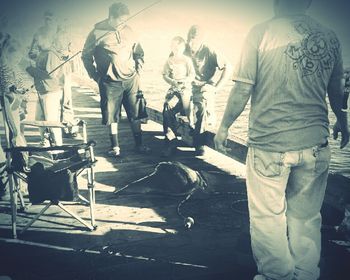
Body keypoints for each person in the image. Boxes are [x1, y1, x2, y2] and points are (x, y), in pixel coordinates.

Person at [214, 1, 349, 279]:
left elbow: (242, 88)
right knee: (307, 217)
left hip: (270, 144)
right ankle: (306, 273)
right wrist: (343, 121)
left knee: (268, 218)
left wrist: (224, 126)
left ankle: (277, 276)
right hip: (315, 145)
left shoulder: (260, 32)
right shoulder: (330, 36)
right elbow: (337, 90)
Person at [82, 2, 150, 158]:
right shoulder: (96, 32)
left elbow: (138, 52)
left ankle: (139, 145)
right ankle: (115, 147)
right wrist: (96, 76)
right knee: (112, 115)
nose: (123, 23)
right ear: (111, 17)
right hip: (109, 82)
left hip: (131, 80)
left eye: (125, 20)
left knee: (136, 114)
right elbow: (85, 57)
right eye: (120, 20)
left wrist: (138, 68)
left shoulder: (129, 30)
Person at [185, 25, 232, 156]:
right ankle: (169, 140)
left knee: (201, 106)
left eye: (193, 39)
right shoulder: (183, 48)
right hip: (186, 87)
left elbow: (229, 67)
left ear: (201, 40)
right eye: (188, 38)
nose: (190, 42)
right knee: (168, 105)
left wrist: (217, 88)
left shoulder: (209, 50)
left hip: (203, 88)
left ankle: (198, 142)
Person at [28, 11, 64, 146]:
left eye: (38, 39)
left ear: (46, 39)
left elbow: (49, 74)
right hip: (41, 90)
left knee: (51, 120)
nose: (36, 41)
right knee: (39, 119)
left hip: (50, 91)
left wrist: (29, 69)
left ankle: (58, 146)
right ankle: (45, 142)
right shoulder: (42, 53)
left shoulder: (50, 54)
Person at [0, 34, 28, 200]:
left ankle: (13, 186)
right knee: (15, 145)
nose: (19, 58)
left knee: (15, 144)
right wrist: (17, 92)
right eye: (18, 55)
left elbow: (15, 89)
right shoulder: (6, 67)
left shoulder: (11, 67)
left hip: (12, 112)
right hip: (8, 114)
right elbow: (8, 92)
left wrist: (19, 92)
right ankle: (14, 186)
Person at [161, 36, 195, 157]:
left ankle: (192, 129)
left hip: (185, 88)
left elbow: (192, 75)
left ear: (183, 47)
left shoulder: (187, 60)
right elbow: (164, 75)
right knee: (167, 106)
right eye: (173, 46)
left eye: (177, 46)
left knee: (187, 108)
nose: (175, 49)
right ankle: (170, 140)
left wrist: (184, 81)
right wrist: (172, 82)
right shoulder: (169, 60)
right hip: (174, 88)